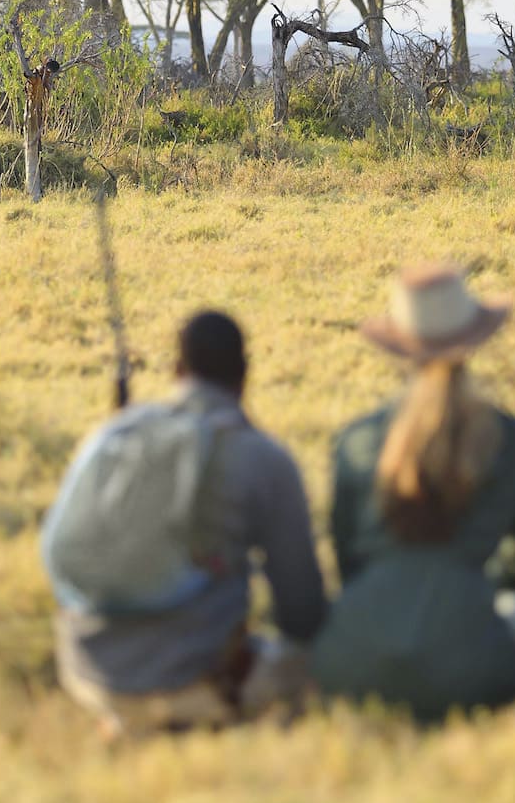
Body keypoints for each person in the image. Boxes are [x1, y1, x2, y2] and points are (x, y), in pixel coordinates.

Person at [41, 310, 327, 739]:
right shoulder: (263, 457)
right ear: (245, 374)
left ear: (176, 371)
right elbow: (302, 611)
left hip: (87, 674)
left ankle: (123, 720)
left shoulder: (118, 432)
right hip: (200, 677)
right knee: (321, 669)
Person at [311, 266, 515, 723]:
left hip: (353, 665)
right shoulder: (509, 440)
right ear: (473, 342)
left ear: (398, 348)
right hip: (474, 674)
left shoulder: (356, 439)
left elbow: (347, 564)